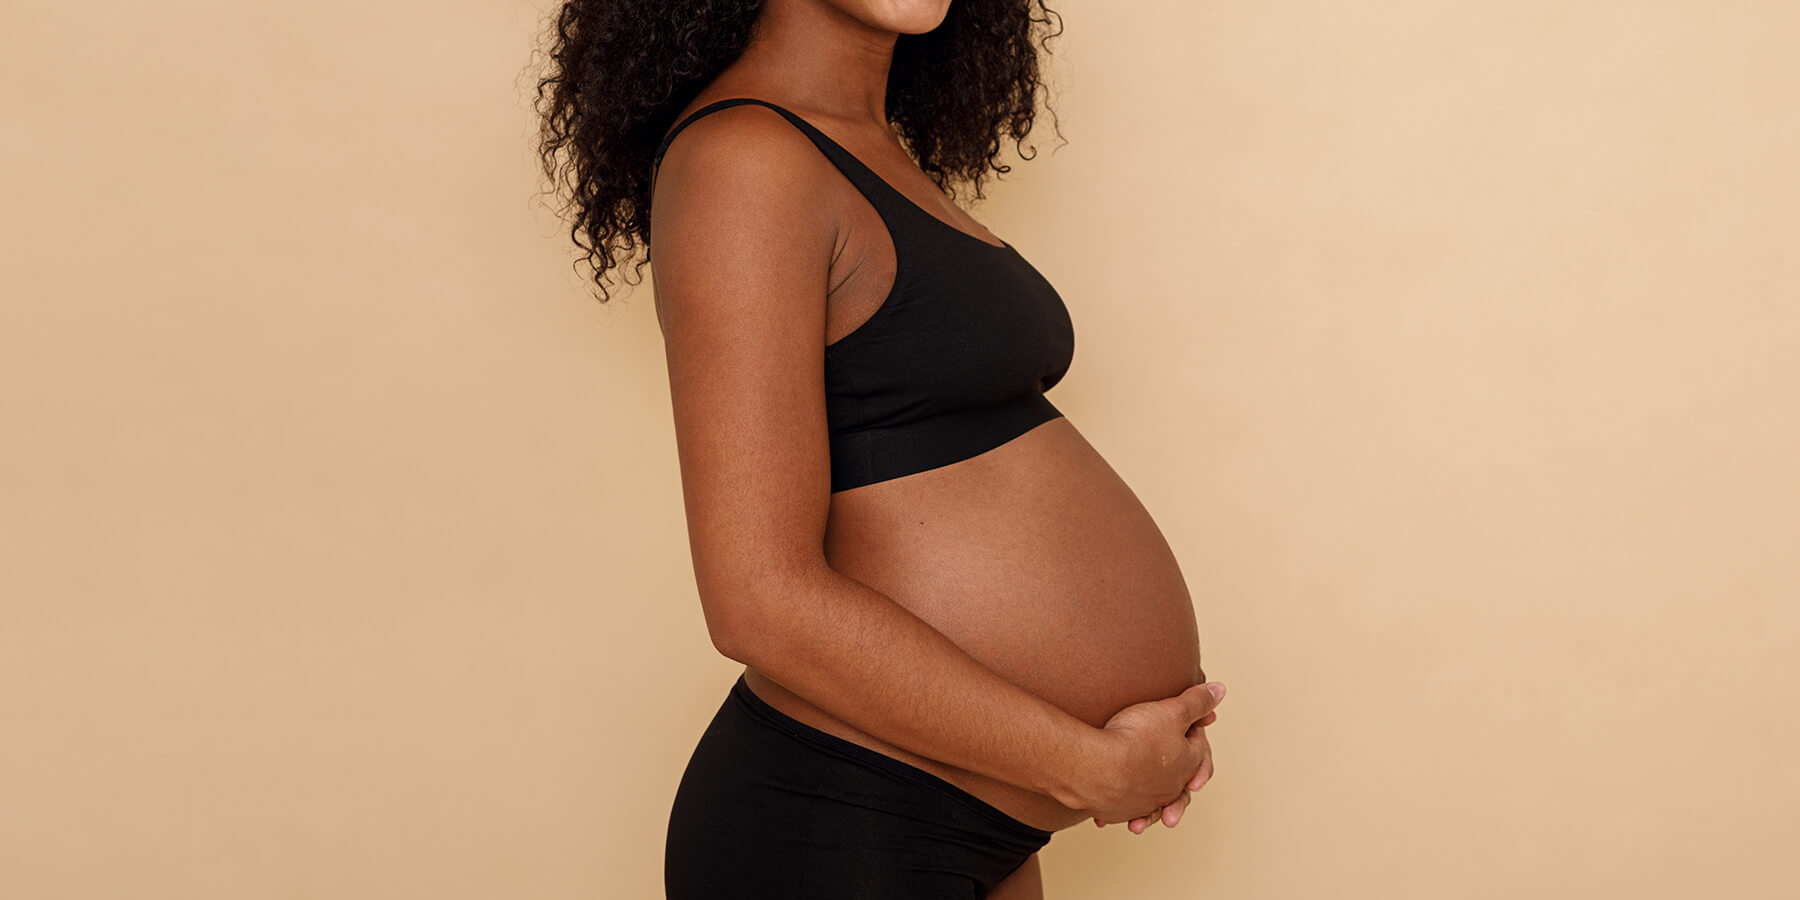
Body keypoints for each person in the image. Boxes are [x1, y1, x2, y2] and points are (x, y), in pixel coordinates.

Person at [534, 1, 1226, 896]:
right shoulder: (746, 160)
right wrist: (1087, 765)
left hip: (965, 818)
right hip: (841, 821)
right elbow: (757, 599)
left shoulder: (863, 146)